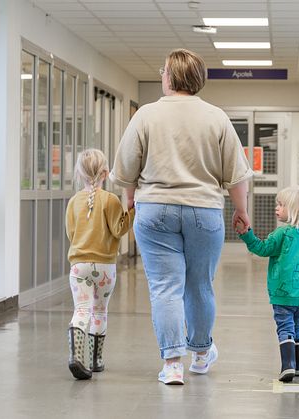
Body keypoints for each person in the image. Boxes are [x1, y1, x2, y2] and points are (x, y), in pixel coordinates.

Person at [109, 48, 253, 385]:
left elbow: (126, 170)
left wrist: (130, 200)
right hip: (204, 209)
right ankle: (201, 354)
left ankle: (172, 363)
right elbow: (236, 174)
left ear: (171, 77)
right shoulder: (216, 117)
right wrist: (242, 211)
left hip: (155, 209)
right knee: (199, 286)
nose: (161, 75)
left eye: (163, 70)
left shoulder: (145, 115)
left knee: (165, 288)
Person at [238, 187, 299, 382]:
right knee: (297, 326)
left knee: (285, 326)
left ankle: (288, 366)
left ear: (294, 209)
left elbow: (262, 248)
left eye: (281, 205)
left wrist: (246, 235)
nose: (276, 207)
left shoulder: (282, 233)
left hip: (283, 292)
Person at [65, 149, 135, 380]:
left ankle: (77, 356)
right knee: (99, 311)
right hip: (105, 267)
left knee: (82, 310)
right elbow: (119, 229)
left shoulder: (74, 202)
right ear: (106, 173)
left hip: (79, 266)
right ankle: (96, 360)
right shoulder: (111, 200)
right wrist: (132, 212)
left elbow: (71, 233)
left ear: (79, 173)